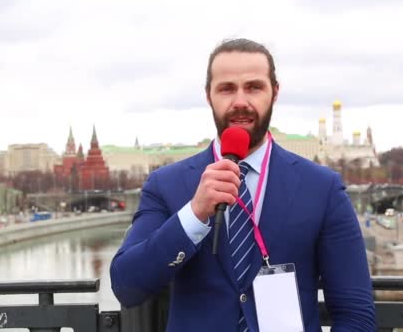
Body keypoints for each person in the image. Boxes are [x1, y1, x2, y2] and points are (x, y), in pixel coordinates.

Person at [110, 38, 375, 331]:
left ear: (274, 92)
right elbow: (127, 286)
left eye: (253, 87)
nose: (239, 101)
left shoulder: (322, 188)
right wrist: (194, 215)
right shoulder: (166, 185)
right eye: (226, 88)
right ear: (208, 96)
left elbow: (355, 313)